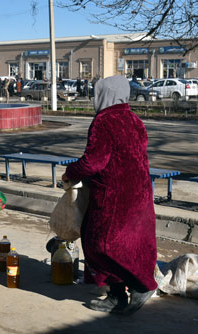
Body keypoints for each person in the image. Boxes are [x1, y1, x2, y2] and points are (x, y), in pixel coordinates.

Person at [62, 75, 157, 315]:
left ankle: (138, 286)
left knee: (99, 244)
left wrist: (71, 172)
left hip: (114, 196)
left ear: (105, 94)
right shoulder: (134, 119)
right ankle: (117, 295)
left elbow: (94, 162)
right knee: (133, 243)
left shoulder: (104, 121)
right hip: (140, 193)